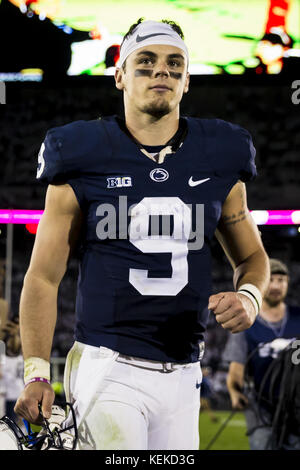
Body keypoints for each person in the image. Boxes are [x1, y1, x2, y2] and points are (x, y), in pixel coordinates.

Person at [14, 18, 270, 450]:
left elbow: (253, 260)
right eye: (146, 62)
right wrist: (37, 372)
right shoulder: (81, 152)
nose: (161, 72)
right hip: (107, 364)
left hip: (186, 369)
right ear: (119, 74)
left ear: (186, 80)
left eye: (174, 64)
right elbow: (42, 276)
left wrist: (250, 297)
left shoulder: (221, 153)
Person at [224, 258, 300, 450]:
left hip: (296, 406)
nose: (275, 285)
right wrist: (234, 392)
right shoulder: (247, 322)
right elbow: (236, 369)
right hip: (260, 406)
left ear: (288, 282)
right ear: (262, 284)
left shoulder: (298, 317)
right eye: (271, 280)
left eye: (281, 280)